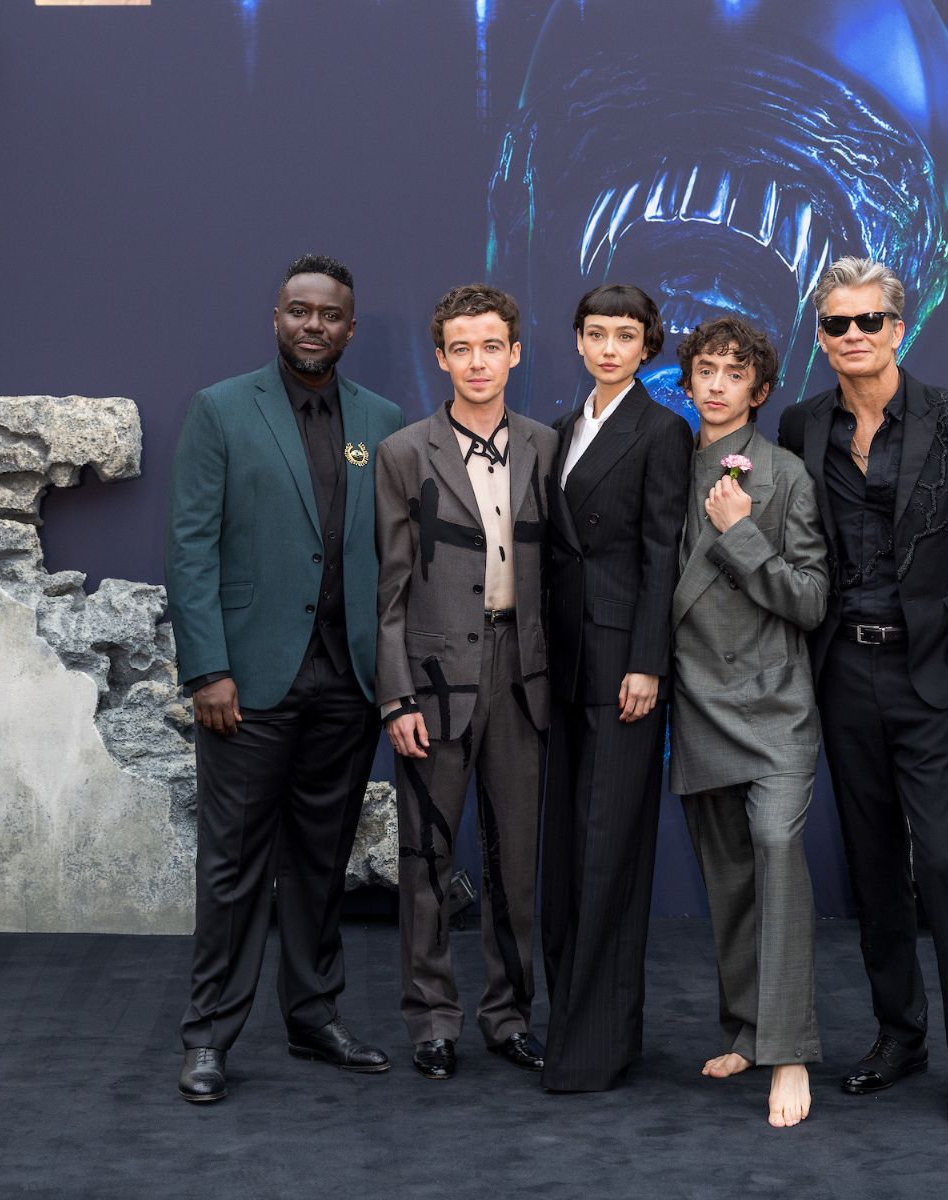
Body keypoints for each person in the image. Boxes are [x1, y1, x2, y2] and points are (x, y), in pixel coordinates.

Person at [777, 256, 948, 1126]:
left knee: (943, 862)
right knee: (872, 863)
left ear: (898, 329)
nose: (853, 336)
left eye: (868, 321)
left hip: (933, 673)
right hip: (844, 671)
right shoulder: (802, 424)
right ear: (821, 337)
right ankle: (898, 1035)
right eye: (836, 324)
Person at [164, 253, 405, 1103]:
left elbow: (393, 558)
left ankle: (313, 1018)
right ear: (276, 318)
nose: (313, 325)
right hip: (247, 684)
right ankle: (208, 1037)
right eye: (299, 310)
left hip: (347, 685)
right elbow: (190, 547)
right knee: (233, 868)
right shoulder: (221, 409)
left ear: (350, 328)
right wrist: (208, 668)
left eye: (330, 314)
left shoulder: (382, 420)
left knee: (320, 863)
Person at [374, 284, 556, 1082]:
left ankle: (509, 1016)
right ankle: (432, 1020)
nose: (477, 362)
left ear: (514, 353)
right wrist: (395, 695)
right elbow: (388, 588)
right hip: (434, 675)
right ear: (441, 358)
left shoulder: (548, 446)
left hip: (524, 672)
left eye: (491, 347)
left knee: (517, 860)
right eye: (460, 349)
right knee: (426, 857)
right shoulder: (404, 452)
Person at [667, 316, 829, 1128]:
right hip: (696, 699)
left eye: (736, 373)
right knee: (728, 877)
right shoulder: (664, 464)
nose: (719, 384)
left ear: (760, 390)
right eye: (707, 369)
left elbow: (810, 599)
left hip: (774, 706)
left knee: (775, 851)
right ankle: (745, 1029)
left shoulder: (786, 475)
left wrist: (741, 534)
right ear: (687, 380)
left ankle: (788, 1050)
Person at [539, 283, 691, 1092]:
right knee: (567, 850)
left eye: (624, 336)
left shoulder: (662, 430)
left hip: (622, 667)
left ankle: (592, 1047)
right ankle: (571, 1025)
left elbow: (663, 552)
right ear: (577, 340)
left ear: (647, 346)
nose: (608, 348)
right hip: (561, 661)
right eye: (595, 333)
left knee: (606, 849)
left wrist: (648, 662)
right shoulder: (564, 427)